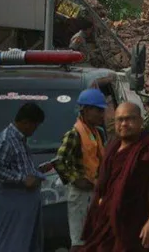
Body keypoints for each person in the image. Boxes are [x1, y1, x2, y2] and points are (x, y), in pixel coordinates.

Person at [79, 102, 149, 251]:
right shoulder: (112, 149)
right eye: (120, 120)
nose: (124, 124)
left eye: (129, 119)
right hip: (112, 223)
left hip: (139, 221)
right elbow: (105, 187)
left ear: (140, 121)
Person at [0, 102, 48, 252]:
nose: (35, 130)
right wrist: (22, 179)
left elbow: (21, 167)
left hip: (28, 201)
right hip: (13, 200)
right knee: (13, 243)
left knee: (29, 243)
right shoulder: (5, 139)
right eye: (35, 126)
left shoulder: (21, 140)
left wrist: (38, 172)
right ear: (25, 123)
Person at [55, 89, 107, 250]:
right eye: (98, 110)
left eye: (102, 110)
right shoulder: (74, 134)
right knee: (79, 241)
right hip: (80, 194)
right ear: (85, 110)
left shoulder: (96, 132)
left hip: (93, 190)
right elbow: (60, 161)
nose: (101, 114)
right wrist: (75, 179)